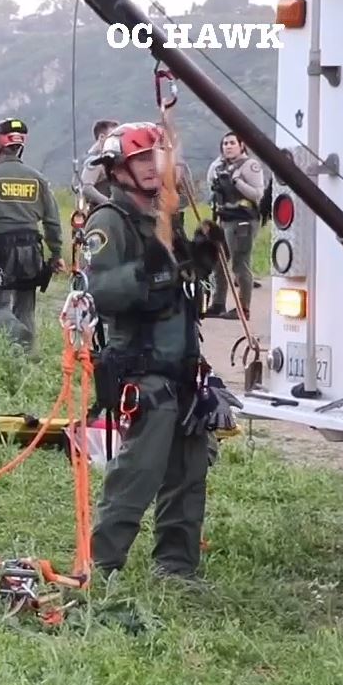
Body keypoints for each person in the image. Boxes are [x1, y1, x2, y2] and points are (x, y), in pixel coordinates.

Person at [80, 122, 236, 583]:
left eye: (157, 157)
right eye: (142, 159)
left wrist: (200, 260)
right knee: (137, 475)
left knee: (188, 476)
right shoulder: (110, 221)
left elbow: (181, 283)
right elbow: (99, 290)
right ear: (119, 169)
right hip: (144, 372)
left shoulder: (166, 216)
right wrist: (143, 274)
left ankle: (176, 567)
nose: (153, 166)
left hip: (185, 369)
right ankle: (100, 566)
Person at [0, 118, 64, 354]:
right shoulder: (38, 179)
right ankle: (28, 360)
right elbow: (52, 220)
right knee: (25, 308)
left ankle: (19, 337)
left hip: (1, 251)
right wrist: (57, 253)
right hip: (32, 251)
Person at [205, 131, 267, 319]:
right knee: (218, 262)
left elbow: (258, 194)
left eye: (232, 143)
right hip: (224, 219)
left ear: (241, 145)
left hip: (243, 220)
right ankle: (218, 304)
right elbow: (212, 189)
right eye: (225, 144)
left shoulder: (250, 166)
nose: (228, 146)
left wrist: (237, 182)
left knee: (240, 264)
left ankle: (243, 308)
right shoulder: (220, 166)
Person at [80, 118, 119, 204]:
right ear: (102, 137)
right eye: (113, 136)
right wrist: (109, 203)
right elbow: (86, 188)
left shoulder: (110, 157)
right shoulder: (95, 160)